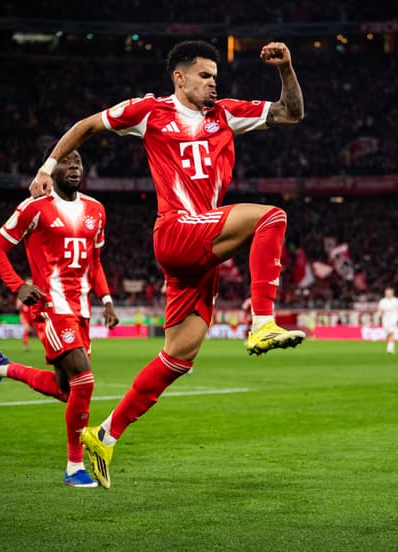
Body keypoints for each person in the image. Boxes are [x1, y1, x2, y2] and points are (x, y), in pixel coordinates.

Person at [28, 40, 305, 488]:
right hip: (177, 231)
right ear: (179, 77)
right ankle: (262, 322)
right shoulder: (149, 111)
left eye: (215, 76)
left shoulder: (226, 114)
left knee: (179, 356)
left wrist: (286, 69)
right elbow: (87, 125)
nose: (213, 83)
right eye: (204, 75)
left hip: (202, 245)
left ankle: (105, 435)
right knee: (272, 217)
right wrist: (47, 168)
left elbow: (291, 113)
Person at [0, 149, 119, 488]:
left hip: (81, 309)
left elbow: (95, 262)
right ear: (51, 170)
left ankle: (2, 367)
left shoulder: (96, 210)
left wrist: (107, 300)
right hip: (51, 307)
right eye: (66, 162)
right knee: (84, 381)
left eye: (78, 161)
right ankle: (74, 468)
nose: (74, 167)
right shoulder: (34, 208)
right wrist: (19, 286)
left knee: (65, 390)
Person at [376, 287, 398, 355]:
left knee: (391, 332)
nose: (388, 294)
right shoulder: (383, 301)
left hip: (394, 318)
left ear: (392, 293)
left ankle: (389, 349)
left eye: (389, 292)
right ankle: (390, 345)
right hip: (385, 319)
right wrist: (378, 315)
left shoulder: (396, 301)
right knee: (388, 334)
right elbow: (380, 310)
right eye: (387, 293)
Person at [17, 277, 34, 351]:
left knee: (32, 330)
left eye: (31, 284)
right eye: (28, 284)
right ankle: (26, 345)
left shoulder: (35, 294)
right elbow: (18, 306)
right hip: (25, 315)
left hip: (33, 315)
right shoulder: (22, 294)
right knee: (26, 330)